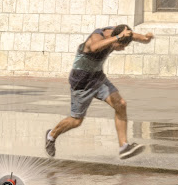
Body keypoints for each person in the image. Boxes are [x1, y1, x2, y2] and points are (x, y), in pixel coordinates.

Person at [45, 24, 154, 160]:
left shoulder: (117, 33)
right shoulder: (96, 37)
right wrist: (118, 37)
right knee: (76, 120)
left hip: (97, 78)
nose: (123, 48)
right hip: (82, 82)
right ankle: (51, 135)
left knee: (120, 104)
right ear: (116, 38)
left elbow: (135, 36)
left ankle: (124, 147)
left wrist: (146, 38)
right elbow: (94, 47)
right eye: (122, 46)